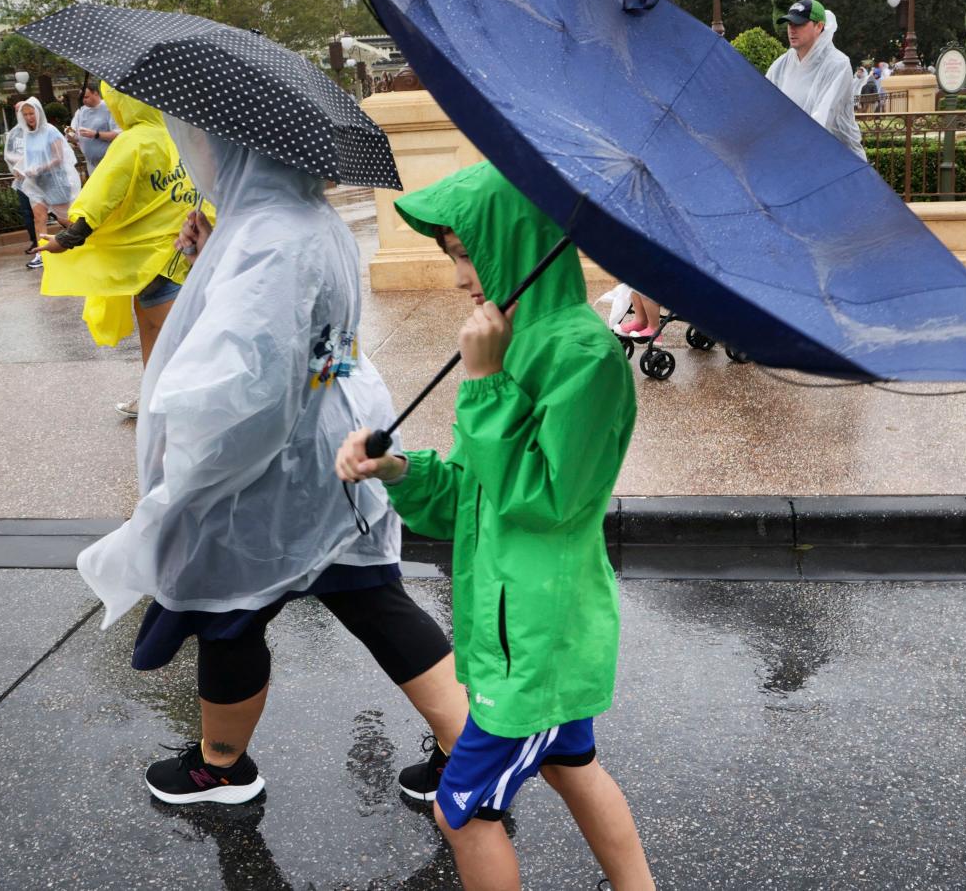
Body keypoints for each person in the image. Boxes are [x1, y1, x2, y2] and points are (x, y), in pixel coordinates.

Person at [75, 118, 468, 807]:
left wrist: (191, 467)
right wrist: (214, 255)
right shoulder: (307, 220)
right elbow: (317, 341)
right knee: (373, 598)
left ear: (241, 145)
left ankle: (221, 766)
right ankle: (468, 752)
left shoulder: (268, 237)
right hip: (331, 438)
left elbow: (250, 382)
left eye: (205, 137)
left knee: (229, 602)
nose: (199, 149)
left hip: (276, 464)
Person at [336, 162, 654, 891]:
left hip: (535, 641)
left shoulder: (583, 356)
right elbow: (469, 497)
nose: (459, 277)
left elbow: (541, 499)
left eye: (466, 253)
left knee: (461, 810)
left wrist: (484, 383)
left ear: (516, 243)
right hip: (519, 631)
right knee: (573, 767)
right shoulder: (515, 339)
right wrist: (398, 470)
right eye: (453, 254)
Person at [34, 83, 201, 416]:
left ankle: (185, 406)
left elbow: (102, 196)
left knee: (172, 337)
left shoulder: (133, 142)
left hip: (146, 260)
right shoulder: (178, 137)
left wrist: (66, 239)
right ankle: (153, 398)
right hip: (183, 252)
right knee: (155, 331)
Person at [766, 0, 867, 160]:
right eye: (789, 24)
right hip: (793, 157)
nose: (792, 30)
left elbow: (823, 117)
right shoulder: (781, 65)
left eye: (799, 24)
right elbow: (764, 104)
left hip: (839, 159)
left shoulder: (837, 64)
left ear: (819, 26)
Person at [13, 96, 79, 249]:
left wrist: (40, 168)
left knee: (65, 219)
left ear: (38, 112)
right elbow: (30, 157)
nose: (29, 117)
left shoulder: (50, 131)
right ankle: (42, 253)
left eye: (31, 113)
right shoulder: (28, 134)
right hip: (37, 183)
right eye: (25, 114)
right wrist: (20, 167)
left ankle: (84, 241)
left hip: (56, 182)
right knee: (38, 217)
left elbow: (59, 157)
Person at [3, 102, 42, 268]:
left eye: (27, 112)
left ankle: (73, 236)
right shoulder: (14, 133)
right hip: (21, 181)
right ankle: (37, 243)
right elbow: (8, 154)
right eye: (20, 111)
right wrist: (18, 166)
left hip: (39, 180)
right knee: (29, 214)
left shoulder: (39, 130)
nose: (24, 115)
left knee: (50, 213)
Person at [66, 82, 120, 175]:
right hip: (91, 164)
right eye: (81, 98)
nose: (83, 100)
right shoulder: (80, 111)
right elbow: (73, 132)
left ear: (96, 93)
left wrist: (96, 134)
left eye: (86, 97)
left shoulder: (109, 108)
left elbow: (118, 134)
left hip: (110, 161)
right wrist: (69, 134)